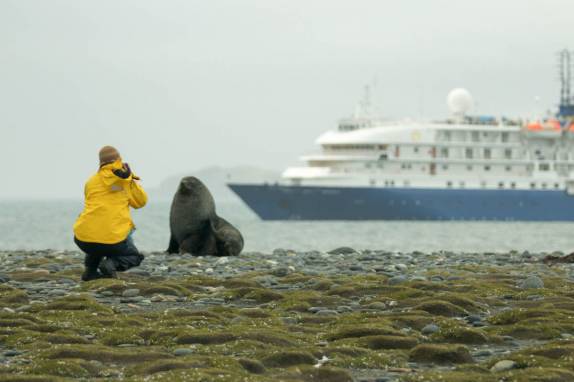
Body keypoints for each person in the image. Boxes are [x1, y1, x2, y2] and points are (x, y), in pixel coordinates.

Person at [73, 146, 148, 281]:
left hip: (82, 238)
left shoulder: (91, 181)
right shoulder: (124, 181)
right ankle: (111, 264)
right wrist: (130, 180)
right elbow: (140, 202)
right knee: (134, 256)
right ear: (119, 160)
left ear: (101, 162)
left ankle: (90, 271)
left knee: (96, 231)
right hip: (113, 241)